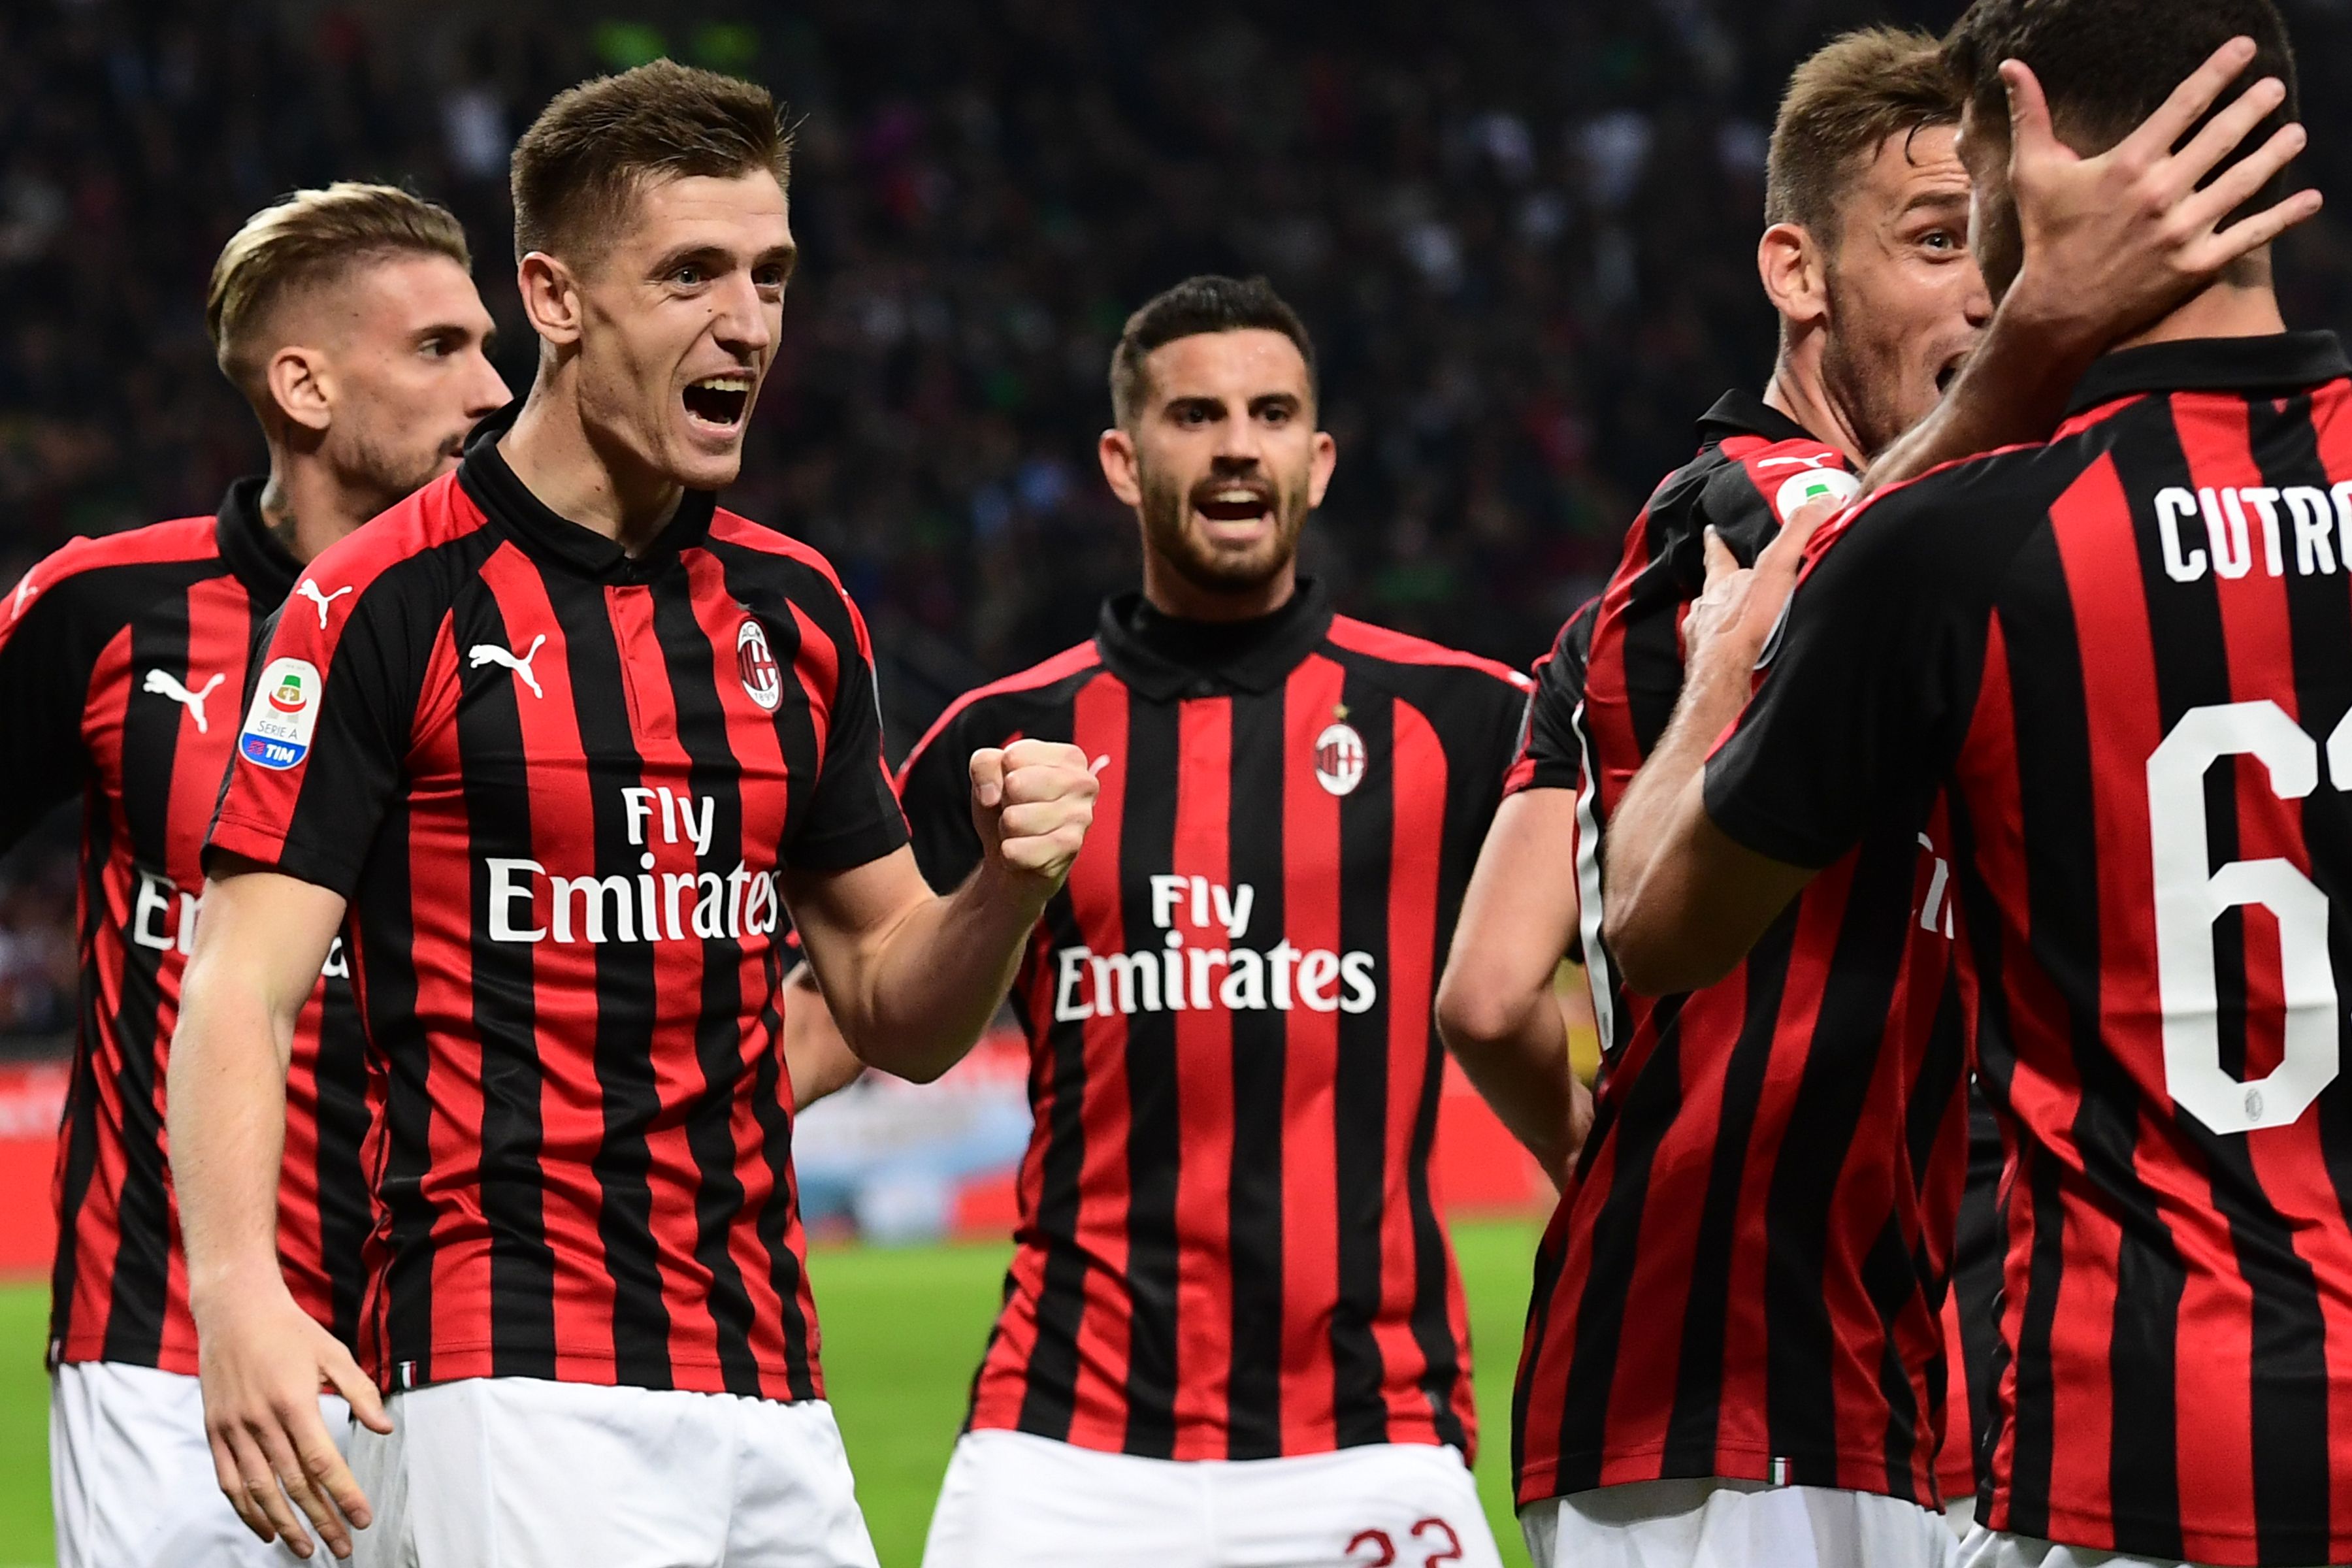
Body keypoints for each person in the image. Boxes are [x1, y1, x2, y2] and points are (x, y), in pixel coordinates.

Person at [167, 63, 1098, 1567]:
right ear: (553, 295)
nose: (749, 322)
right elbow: (239, 983)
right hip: (509, 1373)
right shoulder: (379, 605)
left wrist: (999, 884)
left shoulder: (796, 611)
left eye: (773, 275)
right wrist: (237, 1300)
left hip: (772, 1377)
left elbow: (899, 1012)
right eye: (691, 274)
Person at [1438, 23, 2323, 1568]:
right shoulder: (1754, 519)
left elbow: (1493, 993)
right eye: (1939, 243)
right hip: (1736, 1400)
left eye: (1992, 240)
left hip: (1908, 1394)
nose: (1990, 288)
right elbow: (1850, 553)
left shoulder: (1978, 562)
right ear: (1797, 272)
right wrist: (2052, 338)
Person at [791, 273, 1535, 1566]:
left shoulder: (1468, 727)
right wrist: (999, 890)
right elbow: (864, 1030)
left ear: (1321, 457)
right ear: (1125, 463)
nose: (1237, 441)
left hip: (1372, 1434)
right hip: (1061, 1444)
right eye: (1196, 415)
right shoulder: (1001, 742)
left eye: (1270, 412)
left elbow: (1636, 951)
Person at [0, 183, 506, 1568]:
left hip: (468, 1346)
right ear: (303, 383)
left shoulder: (525, 624)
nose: (495, 385)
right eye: (440, 350)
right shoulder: (105, 609)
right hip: (166, 1349)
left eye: (488, 345)